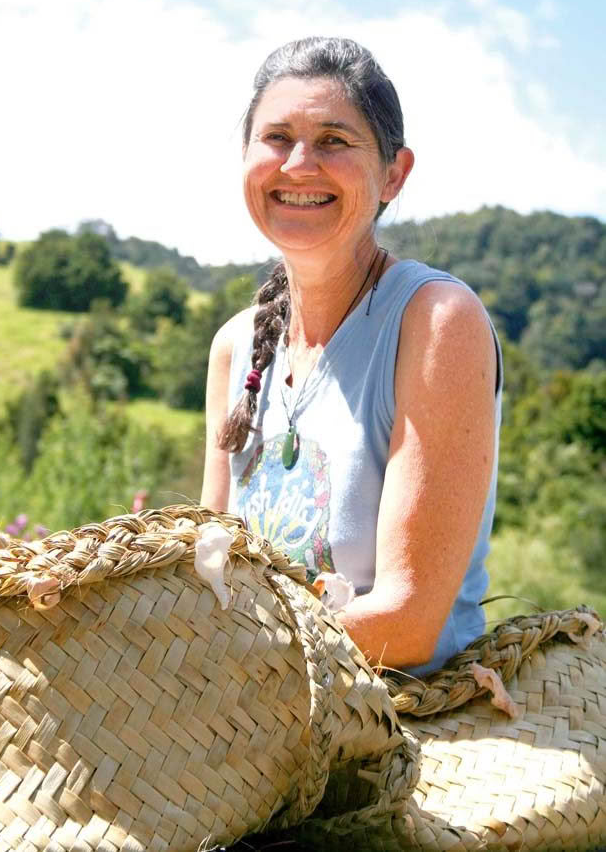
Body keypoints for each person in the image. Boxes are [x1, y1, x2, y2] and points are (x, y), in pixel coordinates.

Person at [201, 36, 501, 677]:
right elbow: (211, 575)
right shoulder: (234, 347)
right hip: (251, 720)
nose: (299, 165)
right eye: (277, 138)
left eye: (334, 141)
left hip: (401, 720)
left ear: (394, 173)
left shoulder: (435, 321)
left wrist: (223, 669)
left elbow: (410, 623)